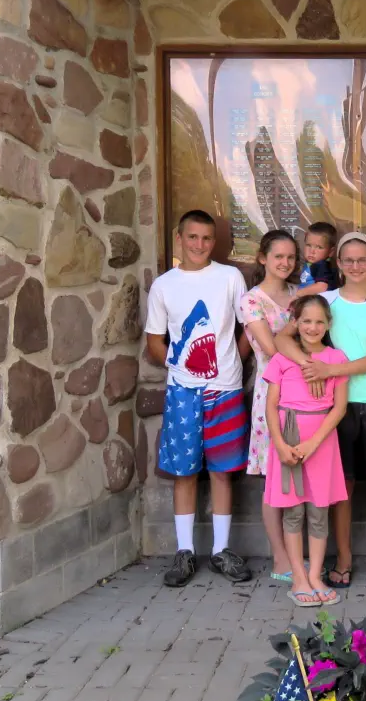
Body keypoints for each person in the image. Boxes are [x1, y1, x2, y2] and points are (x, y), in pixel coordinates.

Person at [276, 232, 366, 604]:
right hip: (331, 409)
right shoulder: (325, 302)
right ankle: (344, 561)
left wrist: (328, 371)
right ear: (338, 264)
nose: (355, 266)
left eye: (362, 259)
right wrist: (312, 365)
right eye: (348, 260)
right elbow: (282, 340)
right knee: (342, 491)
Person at [145, 209, 251, 588]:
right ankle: (185, 551)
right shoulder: (164, 286)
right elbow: (155, 341)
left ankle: (222, 550)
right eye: (193, 237)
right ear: (179, 237)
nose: (200, 245)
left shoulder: (229, 277)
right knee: (185, 472)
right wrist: (177, 367)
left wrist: (235, 359)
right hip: (183, 391)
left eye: (207, 238)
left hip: (226, 388)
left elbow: (248, 324)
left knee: (223, 471)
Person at [263, 296, 349, 608]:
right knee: (294, 510)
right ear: (296, 323)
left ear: (328, 325)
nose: (312, 327)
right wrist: (280, 443)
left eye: (319, 321)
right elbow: (271, 406)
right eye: (306, 321)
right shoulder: (282, 359)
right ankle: (297, 576)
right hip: (288, 437)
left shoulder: (336, 358)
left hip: (322, 441)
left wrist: (314, 443)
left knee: (318, 510)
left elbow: (339, 408)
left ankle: (315, 575)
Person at [238, 229, 299, 583]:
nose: (285, 263)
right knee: (274, 478)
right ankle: (279, 556)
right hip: (272, 392)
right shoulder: (252, 300)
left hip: (306, 392)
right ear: (263, 258)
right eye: (278, 256)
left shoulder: (297, 292)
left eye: (291, 257)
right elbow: (273, 348)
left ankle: (299, 551)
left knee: (299, 474)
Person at [297, 221, 338, 297]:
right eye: (308, 245)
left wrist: (298, 294)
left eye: (319, 247)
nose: (312, 251)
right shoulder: (310, 264)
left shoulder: (322, 265)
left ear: (331, 252)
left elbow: (322, 286)